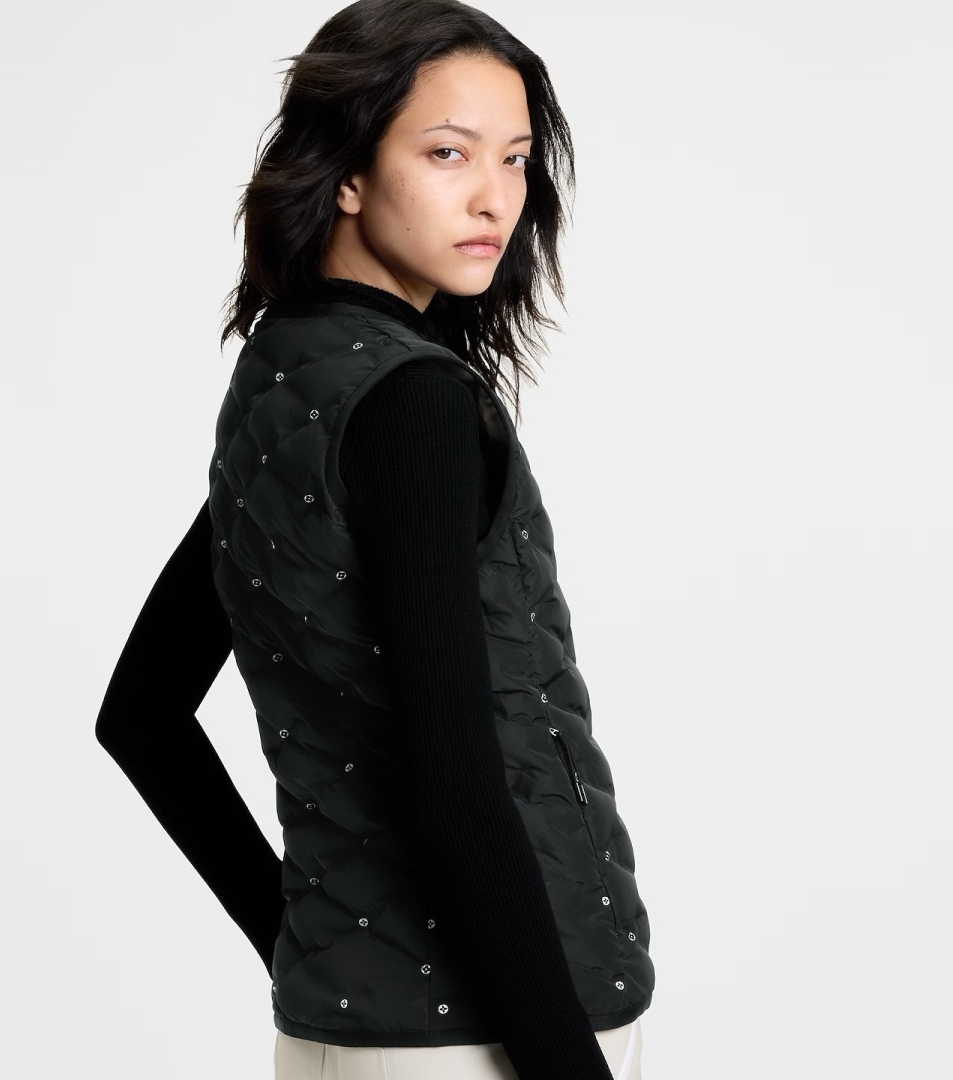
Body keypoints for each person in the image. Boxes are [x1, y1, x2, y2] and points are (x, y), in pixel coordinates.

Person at [95, 3, 654, 1079]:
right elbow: (458, 786)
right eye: (447, 153)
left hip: (349, 1037)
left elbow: (140, 716)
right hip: (484, 1040)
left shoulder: (288, 380)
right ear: (346, 171)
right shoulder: (412, 405)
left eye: (515, 158)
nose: (495, 197)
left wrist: (302, 945)